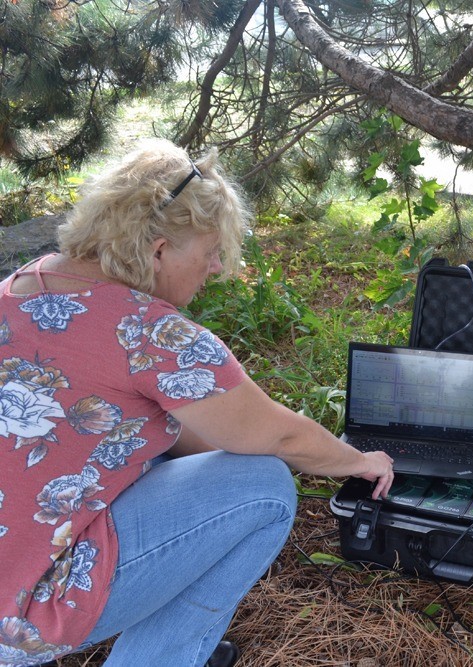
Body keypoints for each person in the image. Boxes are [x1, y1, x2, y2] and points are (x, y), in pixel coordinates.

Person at [0, 139, 394, 667]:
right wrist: (361, 460)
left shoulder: (25, 283)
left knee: (165, 449)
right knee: (265, 489)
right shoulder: (148, 331)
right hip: (22, 615)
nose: (215, 269)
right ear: (159, 249)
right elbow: (279, 435)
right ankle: (162, 655)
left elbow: (149, 429)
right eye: (210, 253)